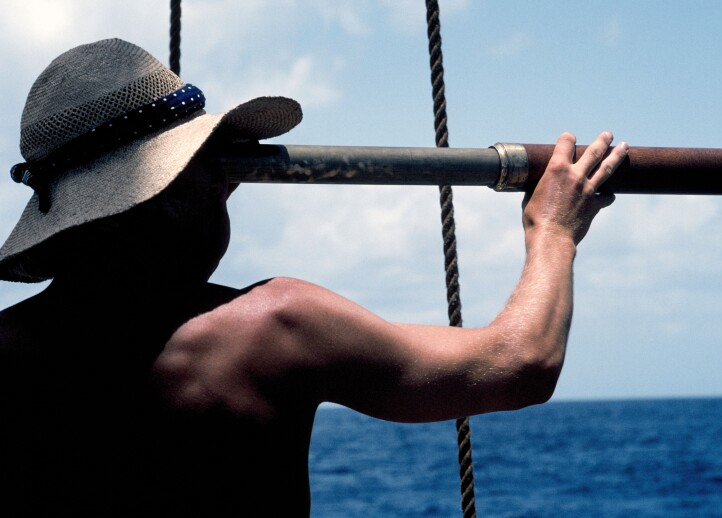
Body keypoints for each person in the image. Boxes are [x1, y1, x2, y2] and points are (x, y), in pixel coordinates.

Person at [0, 39, 628, 516]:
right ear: (154, 198)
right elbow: (520, 362)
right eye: (207, 174)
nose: (228, 182)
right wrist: (554, 231)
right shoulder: (274, 329)